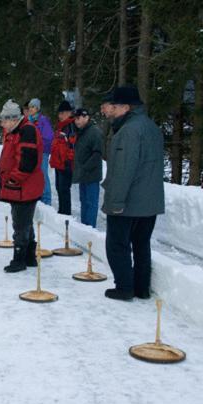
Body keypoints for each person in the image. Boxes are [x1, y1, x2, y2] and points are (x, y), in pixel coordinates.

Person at [102, 85, 165, 301]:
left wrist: (115, 201)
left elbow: (123, 170)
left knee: (117, 245)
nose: (110, 110)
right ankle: (141, 288)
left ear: (126, 107)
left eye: (114, 106)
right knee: (141, 244)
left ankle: (124, 287)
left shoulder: (128, 131)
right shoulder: (151, 127)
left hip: (129, 202)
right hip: (149, 201)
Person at [0, 99, 44, 273]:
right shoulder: (15, 130)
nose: (2, 124)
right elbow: (11, 155)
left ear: (13, 119)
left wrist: (13, 180)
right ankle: (30, 257)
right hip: (19, 187)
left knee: (20, 224)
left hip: (24, 187)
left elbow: (27, 162)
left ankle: (19, 259)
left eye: (4, 120)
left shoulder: (27, 131)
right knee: (25, 221)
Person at [72, 108, 103, 228]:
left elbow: (97, 154)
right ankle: (84, 227)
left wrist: (85, 167)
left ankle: (90, 228)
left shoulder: (94, 132)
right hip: (83, 174)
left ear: (86, 117)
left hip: (91, 174)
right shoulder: (81, 132)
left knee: (91, 203)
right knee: (83, 202)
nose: (76, 121)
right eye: (75, 119)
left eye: (79, 118)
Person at [50, 100, 77, 215]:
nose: (60, 116)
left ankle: (65, 213)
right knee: (59, 188)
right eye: (59, 113)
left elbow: (72, 146)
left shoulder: (71, 126)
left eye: (62, 113)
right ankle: (62, 211)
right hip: (58, 162)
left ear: (69, 113)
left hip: (65, 163)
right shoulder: (60, 126)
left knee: (64, 189)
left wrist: (68, 161)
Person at [27, 98, 54, 205]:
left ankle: (46, 198)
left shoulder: (43, 120)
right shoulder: (29, 120)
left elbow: (48, 137)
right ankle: (37, 195)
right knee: (35, 175)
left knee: (43, 174)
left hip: (42, 152)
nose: (31, 109)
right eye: (30, 107)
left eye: (33, 107)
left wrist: (36, 142)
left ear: (38, 108)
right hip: (32, 152)